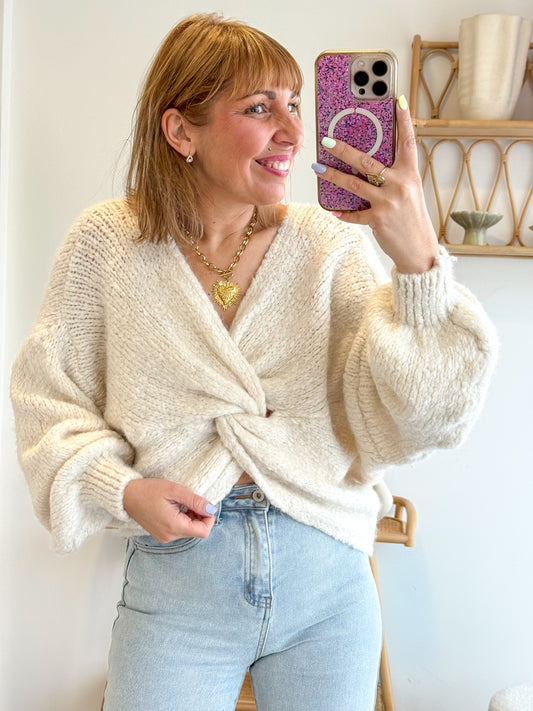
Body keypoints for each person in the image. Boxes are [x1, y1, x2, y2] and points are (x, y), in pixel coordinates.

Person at [10, 13, 497, 711]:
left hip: (327, 584)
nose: (294, 133)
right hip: (178, 589)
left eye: (295, 104)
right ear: (181, 131)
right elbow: (48, 400)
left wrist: (418, 259)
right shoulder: (107, 245)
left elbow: (427, 417)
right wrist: (123, 490)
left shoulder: (329, 245)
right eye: (260, 108)